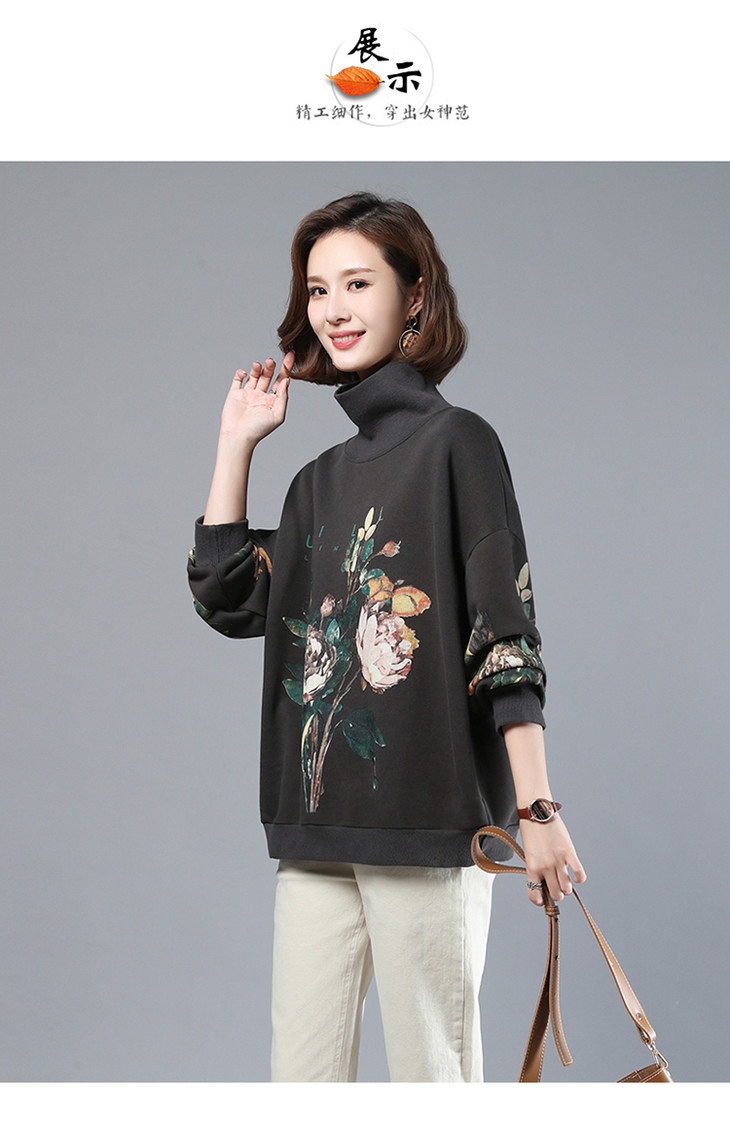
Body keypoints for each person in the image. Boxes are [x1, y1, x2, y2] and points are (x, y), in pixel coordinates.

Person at [187, 191, 586, 1082]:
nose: (333, 307)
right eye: (317, 288)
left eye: (358, 282)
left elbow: (504, 634)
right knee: (303, 1087)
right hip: (316, 832)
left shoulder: (459, 444)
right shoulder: (316, 482)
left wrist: (537, 809)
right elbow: (227, 598)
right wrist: (236, 444)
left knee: (432, 1084)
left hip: (430, 826)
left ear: (415, 295)